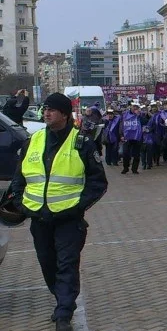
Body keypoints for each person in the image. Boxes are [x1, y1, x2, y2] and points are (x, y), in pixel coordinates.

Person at [10, 93, 108, 331]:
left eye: (52, 110)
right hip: (39, 218)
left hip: (68, 219)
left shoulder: (81, 143)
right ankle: (61, 300)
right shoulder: (33, 140)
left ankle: (64, 312)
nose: (46, 113)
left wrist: (78, 207)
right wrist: (23, 203)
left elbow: (98, 183)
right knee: (48, 263)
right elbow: (19, 178)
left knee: (67, 264)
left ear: (64, 114)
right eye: (45, 109)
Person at [119, 103, 144, 174]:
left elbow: (145, 122)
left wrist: (139, 115)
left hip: (137, 137)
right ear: (131, 107)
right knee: (125, 153)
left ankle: (134, 169)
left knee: (136, 154)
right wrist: (121, 135)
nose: (135, 108)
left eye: (136, 107)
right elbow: (121, 125)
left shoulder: (140, 115)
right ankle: (125, 168)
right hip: (127, 137)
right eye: (134, 107)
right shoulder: (124, 115)